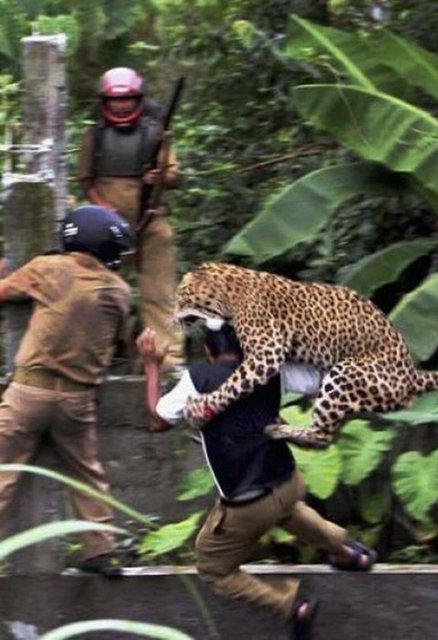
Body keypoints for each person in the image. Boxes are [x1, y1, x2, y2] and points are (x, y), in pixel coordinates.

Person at [137, 323, 377, 639]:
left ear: (209, 351)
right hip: (288, 482)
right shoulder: (271, 368)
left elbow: (157, 420)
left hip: (248, 504)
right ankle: (349, 553)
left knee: (212, 567)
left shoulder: (198, 380)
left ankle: (292, 607)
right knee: (287, 509)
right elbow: (323, 378)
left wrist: (151, 365)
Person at [0, 205, 134, 576]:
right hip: (78, 401)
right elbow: (119, 341)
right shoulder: (120, 292)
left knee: (3, 472)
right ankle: (100, 549)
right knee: (86, 473)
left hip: (29, 392)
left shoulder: (49, 268)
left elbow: (5, 291)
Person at [77, 66, 184, 371]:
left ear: (138, 100)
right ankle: (103, 357)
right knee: (102, 294)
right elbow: (86, 180)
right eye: (114, 101)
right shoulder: (94, 136)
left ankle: (168, 361)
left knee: (160, 295)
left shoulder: (156, 133)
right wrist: (102, 207)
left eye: (126, 100)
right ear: (105, 102)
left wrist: (159, 176)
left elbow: (175, 174)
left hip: (151, 222)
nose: (121, 106)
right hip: (107, 231)